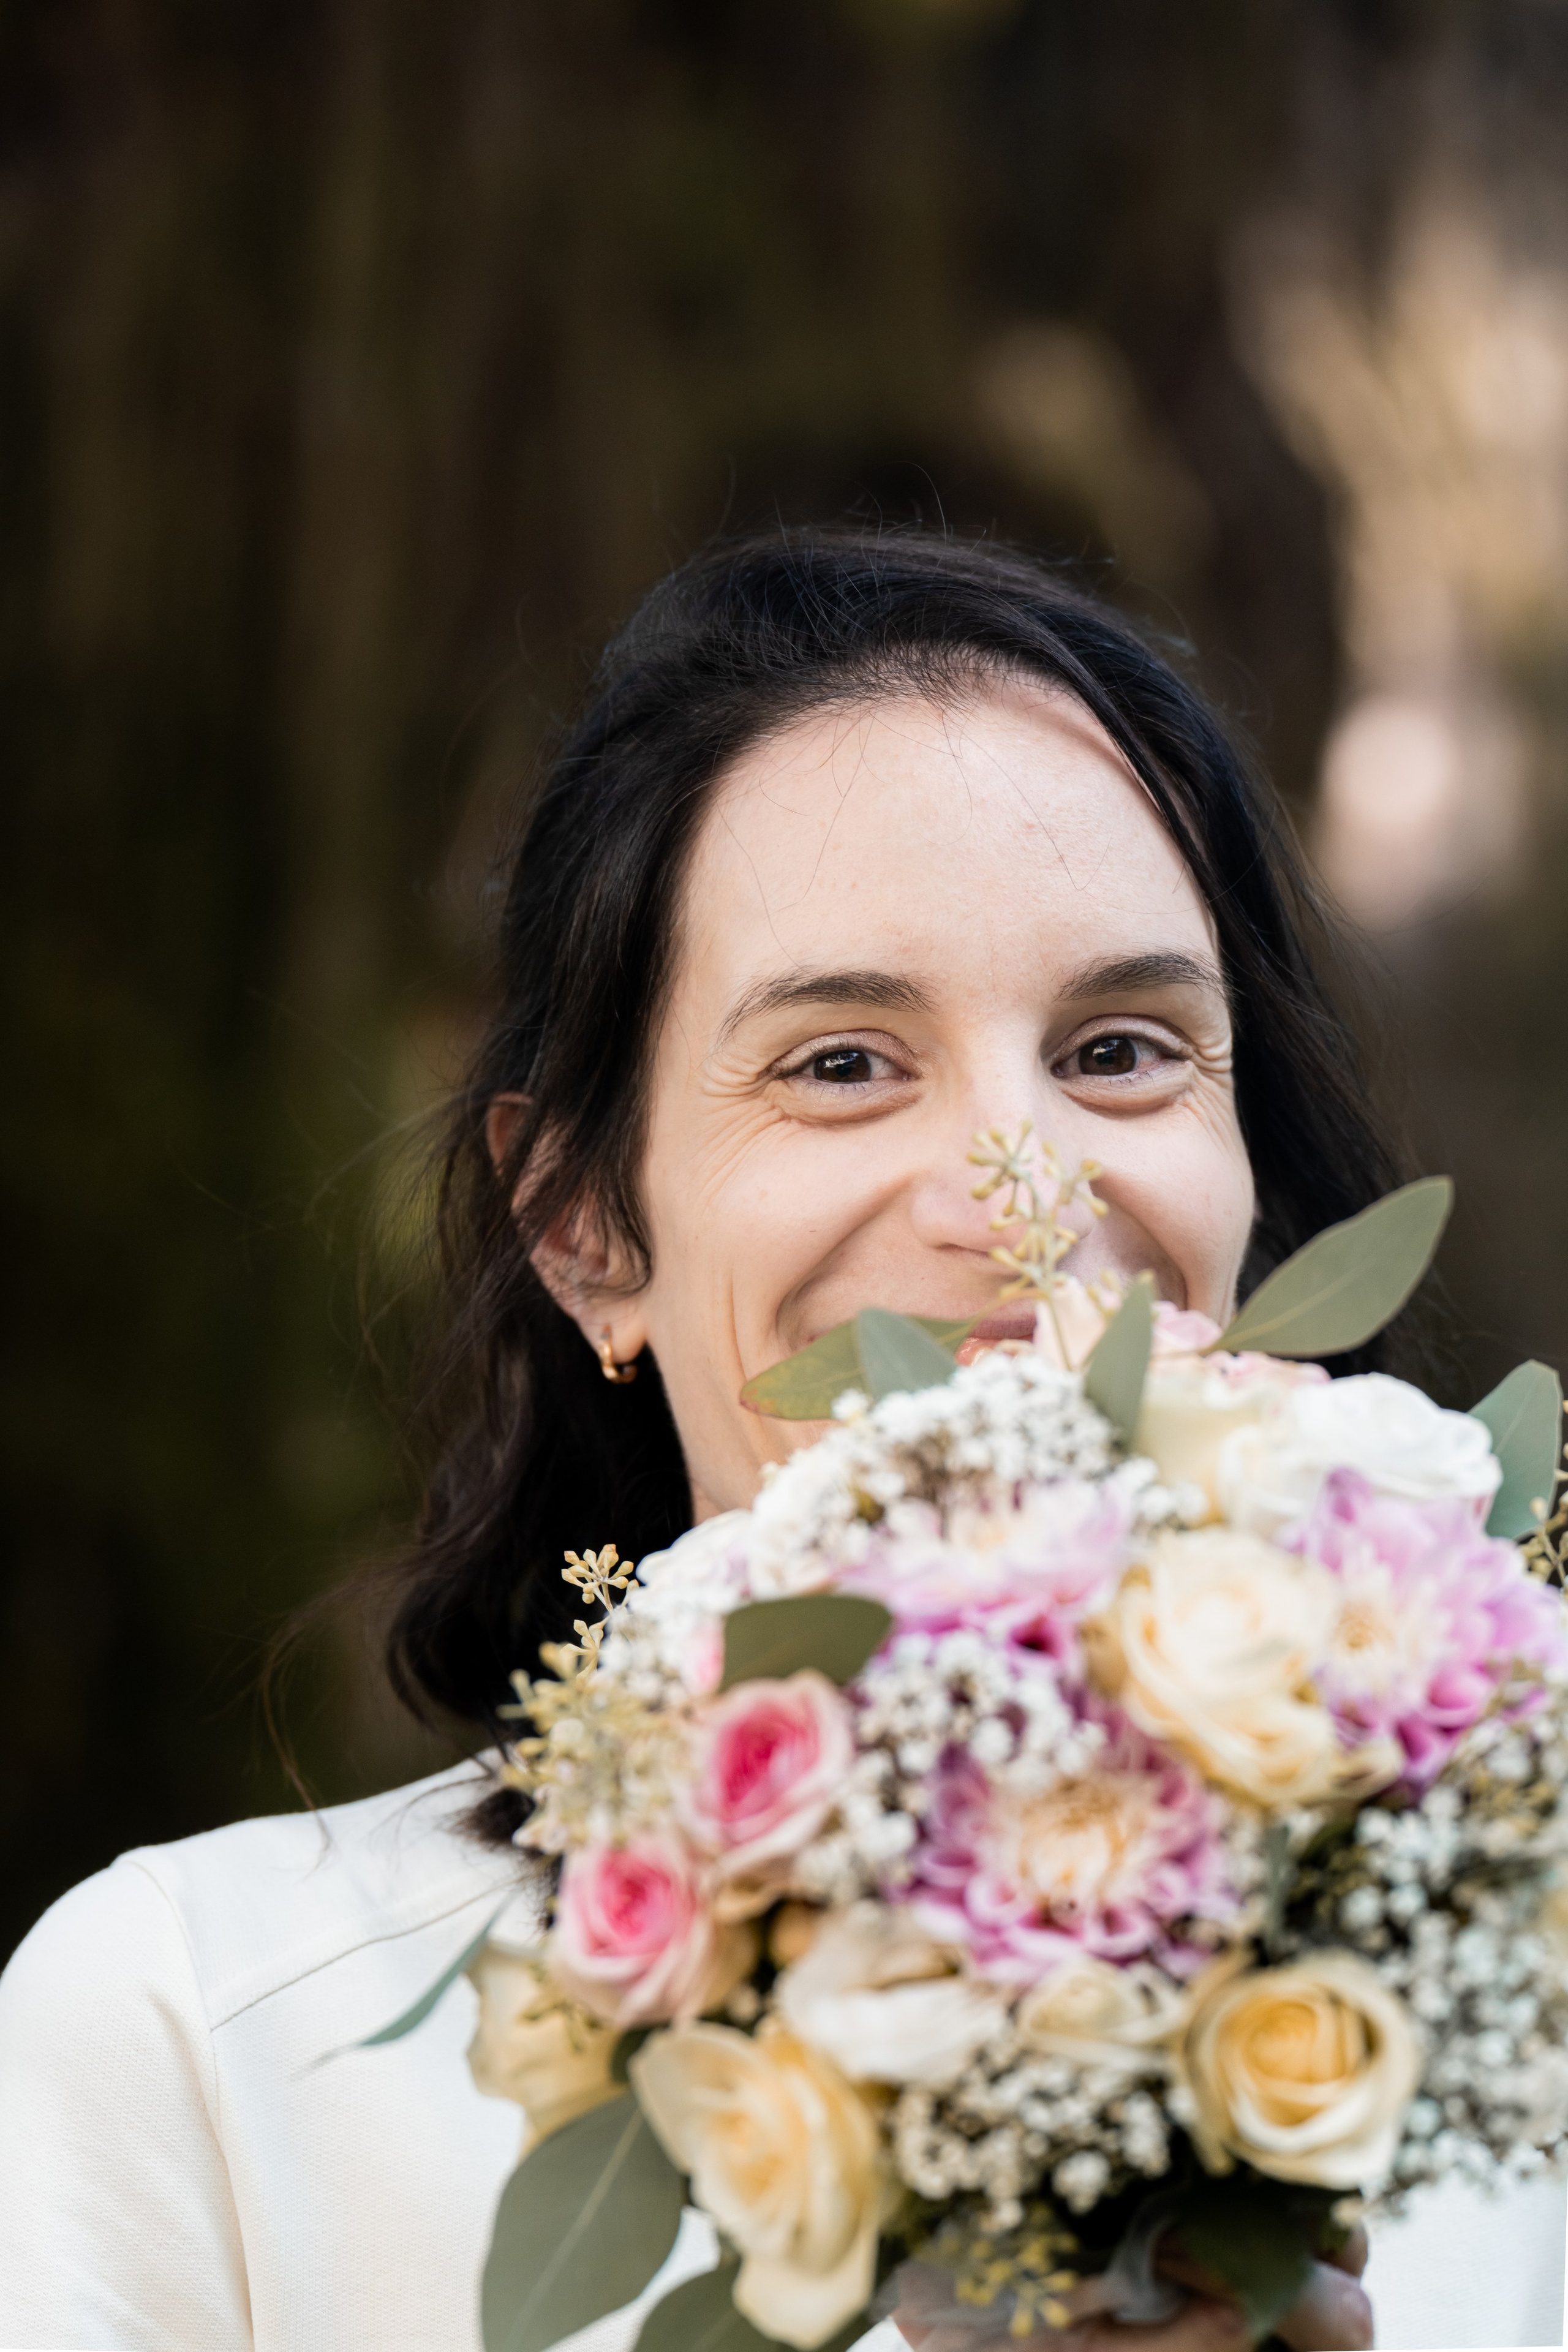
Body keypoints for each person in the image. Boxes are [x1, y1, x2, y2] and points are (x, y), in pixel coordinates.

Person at [0, 530, 1561, 2352]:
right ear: (583, 1225)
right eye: (839, 1062)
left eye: (1125, 1047)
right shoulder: (207, 2049)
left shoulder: (1512, 1961)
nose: (1026, 1195)